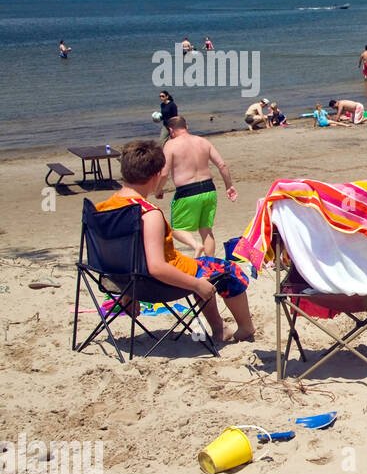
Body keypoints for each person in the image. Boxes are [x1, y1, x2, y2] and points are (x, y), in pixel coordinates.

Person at [96, 140, 254, 343]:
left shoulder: (104, 209)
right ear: (155, 176)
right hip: (159, 283)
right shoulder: (148, 214)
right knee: (228, 270)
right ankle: (244, 327)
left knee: (206, 268)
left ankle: (219, 328)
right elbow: (156, 267)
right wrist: (196, 285)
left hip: (126, 279)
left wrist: (128, 293)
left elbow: (119, 253)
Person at [161, 116, 237, 257]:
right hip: (209, 189)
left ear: (171, 130)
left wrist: (158, 189)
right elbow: (222, 165)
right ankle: (210, 265)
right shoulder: (203, 141)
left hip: (187, 191)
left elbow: (164, 173)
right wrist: (229, 186)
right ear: (187, 127)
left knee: (176, 229)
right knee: (206, 230)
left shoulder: (171, 145)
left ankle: (195, 245)